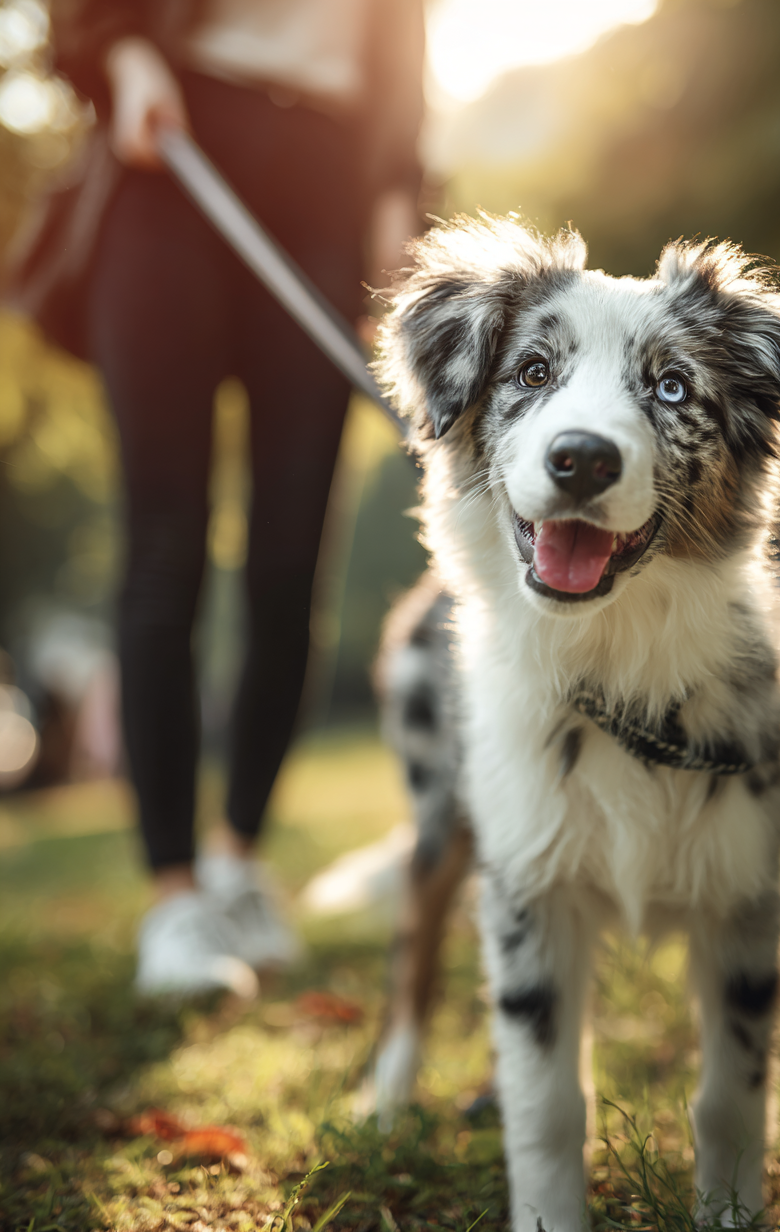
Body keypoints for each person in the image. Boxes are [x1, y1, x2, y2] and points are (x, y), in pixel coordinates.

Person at [46, 0, 425, 995]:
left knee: (292, 554)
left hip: (328, 179)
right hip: (172, 149)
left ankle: (237, 859)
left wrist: (395, 194)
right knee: (164, 542)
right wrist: (122, 56)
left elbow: (400, 45)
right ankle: (173, 898)